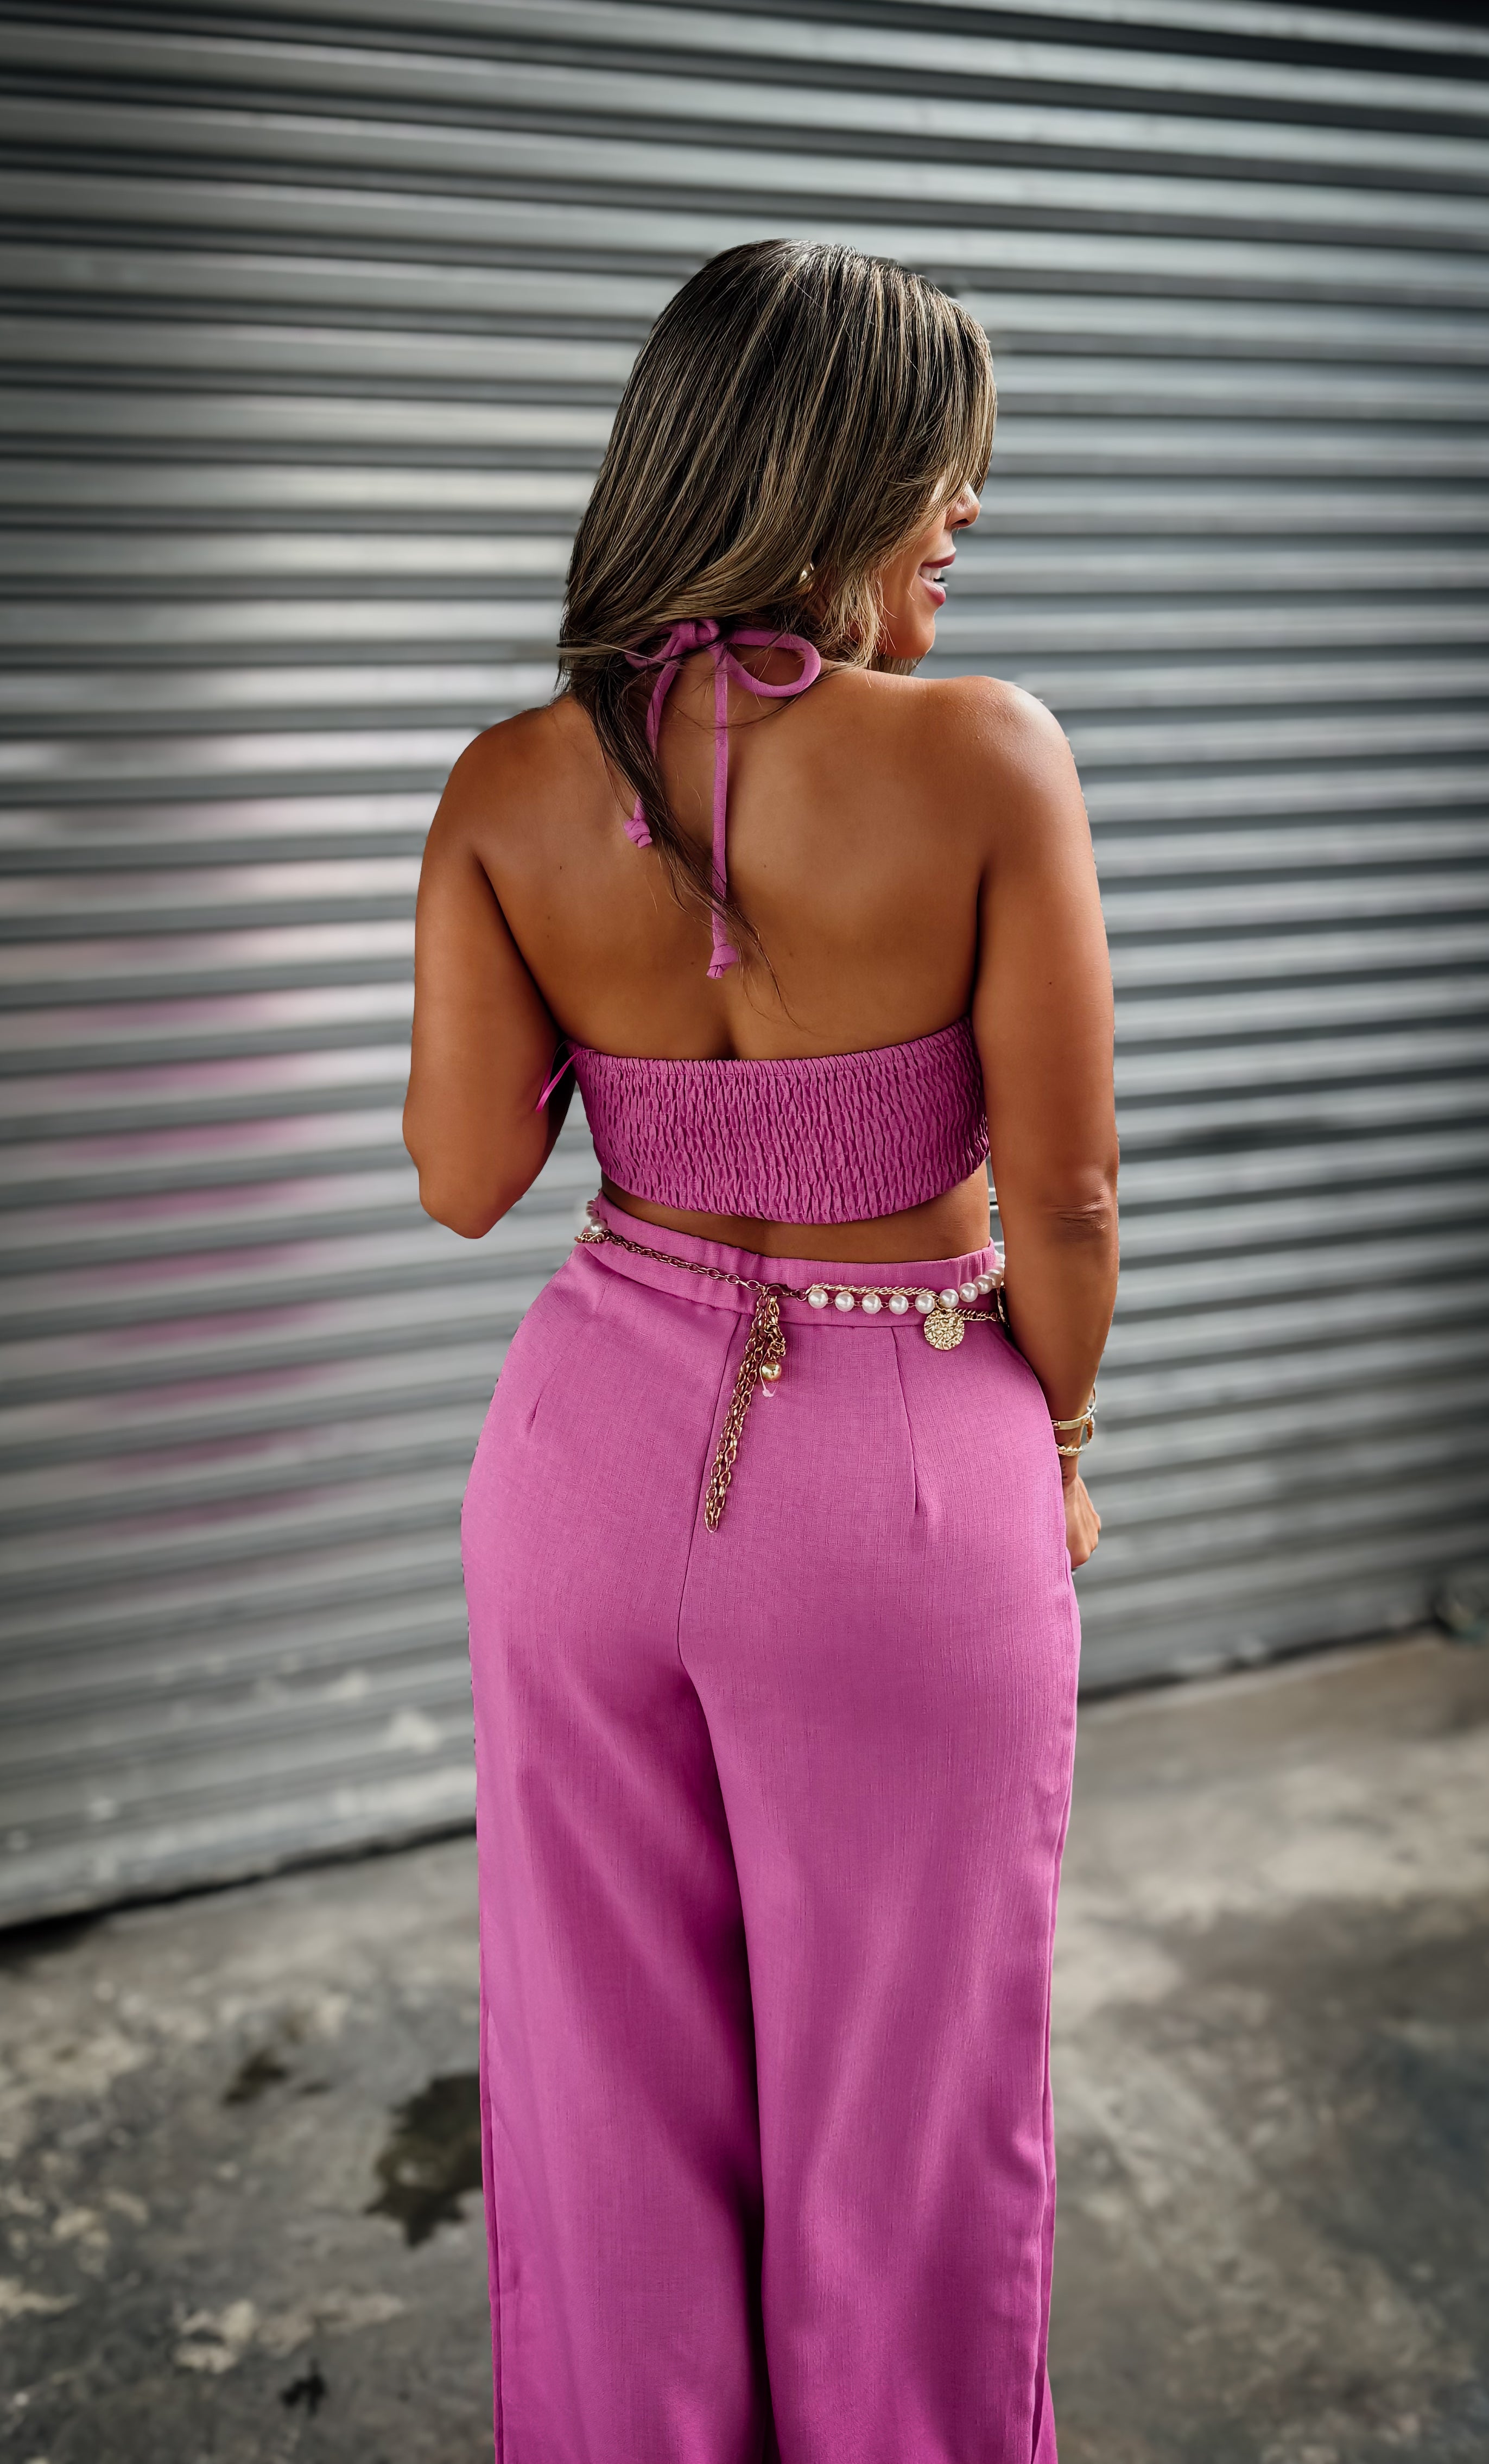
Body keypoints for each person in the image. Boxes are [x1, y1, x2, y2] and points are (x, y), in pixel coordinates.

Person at [404, 238, 1118, 2464]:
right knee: (909, 2093)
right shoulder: (984, 753)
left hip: (578, 1470)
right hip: (906, 1467)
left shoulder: (507, 782)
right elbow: (1069, 1198)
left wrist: (634, 977)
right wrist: (1062, 1436)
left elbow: (462, 1175)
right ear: (841, 472)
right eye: (947, 474)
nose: (966, 516)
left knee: (599, 2083)